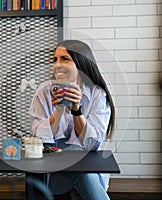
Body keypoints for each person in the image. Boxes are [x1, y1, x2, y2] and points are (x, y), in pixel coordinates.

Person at [29, 40, 115, 200]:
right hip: (52, 171)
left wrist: (76, 110)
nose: (57, 64)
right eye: (55, 60)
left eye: (65, 59)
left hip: (86, 167)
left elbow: (91, 143)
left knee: (83, 175)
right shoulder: (43, 92)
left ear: (81, 64)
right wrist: (59, 110)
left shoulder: (97, 94)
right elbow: (40, 140)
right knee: (82, 176)